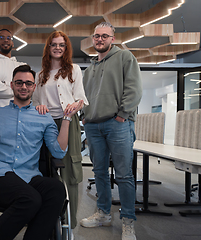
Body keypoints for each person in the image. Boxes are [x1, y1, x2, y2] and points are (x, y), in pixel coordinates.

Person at [0, 65, 84, 240]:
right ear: (12, 85)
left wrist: (66, 118)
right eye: (19, 83)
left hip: (29, 176)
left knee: (57, 189)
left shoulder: (43, 117)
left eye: (28, 83)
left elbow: (58, 152)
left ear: (34, 87)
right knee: (31, 199)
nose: (24, 87)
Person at [79, 22, 142, 240]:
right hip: (94, 126)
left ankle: (128, 221)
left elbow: (133, 89)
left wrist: (123, 114)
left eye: (105, 36)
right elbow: (84, 98)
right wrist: (85, 118)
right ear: (93, 39)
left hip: (118, 124)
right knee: (99, 173)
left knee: (124, 175)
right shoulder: (89, 70)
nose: (100, 39)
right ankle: (104, 213)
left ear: (112, 38)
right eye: (96, 36)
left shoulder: (125, 57)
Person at [32, 30, 89, 233]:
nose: (57, 47)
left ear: (66, 48)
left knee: (70, 170)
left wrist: (76, 105)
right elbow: (36, 101)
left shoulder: (74, 70)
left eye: (61, 45)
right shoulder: (40, 75)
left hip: (68, 122)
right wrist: (39, 106)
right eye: (54, 44)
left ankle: (69, 224)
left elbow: (81, 98)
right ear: (48, 47)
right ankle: (47, 221)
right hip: (46, 125)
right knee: (47, 170)